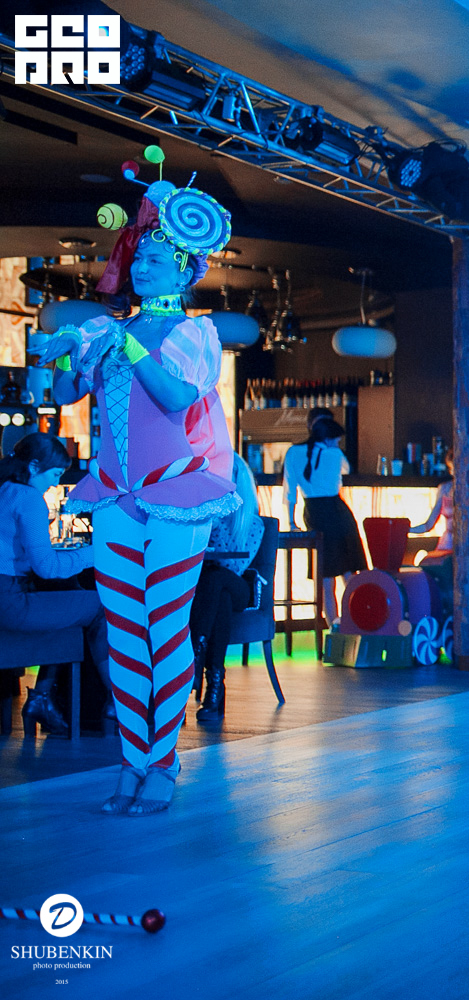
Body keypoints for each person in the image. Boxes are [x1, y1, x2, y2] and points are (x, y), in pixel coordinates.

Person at [34, 156, 239, 814]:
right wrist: (61, 355)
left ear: (185, 270)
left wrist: (124, 344)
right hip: (113, 496)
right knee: (123, 634)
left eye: (157, 257)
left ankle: (163, 763)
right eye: (140, 255)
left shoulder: (196, 332)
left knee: (166, 630)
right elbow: (66, 394)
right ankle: (133, 762)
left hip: (177, 496)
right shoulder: (105, 330)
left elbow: (176, 397)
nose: (143, 264)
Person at [0, 433, 110, 737]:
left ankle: (42, 697)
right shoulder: (27, 498)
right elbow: (47, 567)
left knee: (67, 601)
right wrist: (95, 552)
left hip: (9, 597)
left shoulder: (4, 490)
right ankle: (116, 702)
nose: (56, 483)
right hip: (10, 604)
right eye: (55, 474)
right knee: (99, 605)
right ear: (34, 466)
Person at [191, 452, 265, 723]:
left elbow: (232, 565)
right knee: (216, 595)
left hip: (239, 589)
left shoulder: (252, 522)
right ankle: (215, 686)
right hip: (210, 590)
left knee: (218, 580)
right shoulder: (203, 512)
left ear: (238, 479)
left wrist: (217, 519)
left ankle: (195, 653)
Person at [284, 410, 366, 622]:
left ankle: (333, 629)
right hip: (339, 512)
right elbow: (347, 470)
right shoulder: (335, 454)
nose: (338, 442)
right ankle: (357, 624)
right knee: (349, 574)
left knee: (326, 579)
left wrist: (291, 521)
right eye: (336, 439)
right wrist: (334, 450)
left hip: (314, 514)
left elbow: (289, 491)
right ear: (329, 437)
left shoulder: (293, 452)